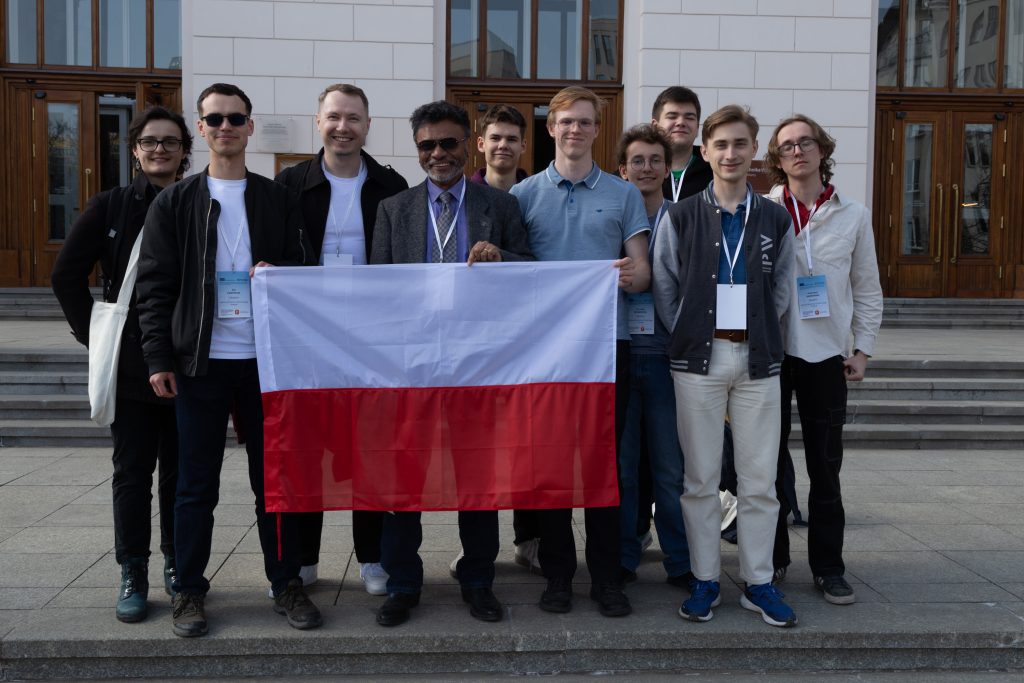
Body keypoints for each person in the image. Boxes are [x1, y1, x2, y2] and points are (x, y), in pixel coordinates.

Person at [136, 83, 318, 638]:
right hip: (201, 362)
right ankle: (188, 590)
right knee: (195, 485)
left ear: (249, 127)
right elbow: (155, 287)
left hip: (266, 364)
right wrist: (157, 357)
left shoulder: (276, 198)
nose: (225, 127)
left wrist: (279, 272)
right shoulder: (175, 202)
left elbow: (303, 268)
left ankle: (286, 582)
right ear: (201, 128)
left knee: (275, 482)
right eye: (214, 119)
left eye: (235, 118)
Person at [369, 100, 533, 627]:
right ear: (417, 149)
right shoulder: (394, 210)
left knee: (476, 478)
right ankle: (402, 583)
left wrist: (502, 259)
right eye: (427, 145)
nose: (437, 153)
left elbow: (532, 273)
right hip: (411, 366)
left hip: (477, 364)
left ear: (469, 145)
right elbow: (378, 291)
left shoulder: (499, 206)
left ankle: (478, 579)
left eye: (447, 143)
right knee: (403, 478)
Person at [651, 104, 797, 627]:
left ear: (754, 150)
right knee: (700, 479)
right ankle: (705, 579)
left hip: (757, 360)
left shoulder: (775, 218)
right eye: (721, 145)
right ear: (705, 152)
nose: (730, 153)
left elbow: (783, 286)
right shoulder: (680, 215)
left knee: (759, 481)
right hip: (698, 360)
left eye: (740, 144)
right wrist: (689, 330)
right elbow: (665, 283)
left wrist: (761, 332)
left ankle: (758, 582)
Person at [511, 86, 651, 618]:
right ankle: (558, 575)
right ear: (551, 128)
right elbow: (515, 274)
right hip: (545, 353)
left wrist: (633, 275)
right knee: (551, 467)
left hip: (607, 349)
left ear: (597, 129)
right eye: (566, 121)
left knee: (603, 466)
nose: (575, 130)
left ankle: (607, 578)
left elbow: (643, 272)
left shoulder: (623, 194)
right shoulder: (523, 195)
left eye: (585, 122)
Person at [51, 106, 191, 624]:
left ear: (184, 151)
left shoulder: (198, 202)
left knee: (181, 474)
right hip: (132, 367)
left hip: (187, 359)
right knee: (132, 473)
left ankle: (178, 563)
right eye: (150, 141)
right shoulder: (110, 205)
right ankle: (133, 569)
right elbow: (65, 276)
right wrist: (96, 339)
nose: (160, 150)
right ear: (134, 150)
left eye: (170, 142)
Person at [275, 83, 408, 597]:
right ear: (318, 122)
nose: (343, 127)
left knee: (368, 453)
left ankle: (372, 558)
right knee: (307, 452)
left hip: (372, 342)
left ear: (368, 125)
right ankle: (305, 560)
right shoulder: (289, 184)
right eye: (334, 116)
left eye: (353, 118)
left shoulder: (391, 185)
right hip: (307, 340)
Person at [763, 114, 883, 604]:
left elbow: (867, 287)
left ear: (822, 150)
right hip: (770, 355)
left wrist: (863, 349)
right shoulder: (763, 210)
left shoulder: (852, 214)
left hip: (826, 354)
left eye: (805, 142)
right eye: (787, 146)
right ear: (777, 158)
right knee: (766, 468)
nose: (797, 151)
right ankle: (770, 562)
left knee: (825, 468)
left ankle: (829, 567)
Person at [614, 124, 692, 589]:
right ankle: (624, 557)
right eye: (637, 161)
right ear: (623, 170)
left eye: (655, 160)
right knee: (623, 469)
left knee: (670, 469)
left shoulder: (683, 219)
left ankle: (680, 561)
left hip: (667, 360)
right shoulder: (612, 218)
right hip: (620, 358)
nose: (647, 168)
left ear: (667, 168)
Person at [465, 103, 541, 575]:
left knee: (526, 443)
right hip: (473, 340)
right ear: (480, 144)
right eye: (495, 137)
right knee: (480, 450)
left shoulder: (533, 194)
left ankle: (528, 537)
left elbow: (534, 262)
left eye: (512, 138)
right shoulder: (460, 196)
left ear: (523, 145)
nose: (503, 146)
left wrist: (502, 256)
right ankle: (477, 547)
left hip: (526, 336)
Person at [651, 86, 713, 203]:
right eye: (672, 116)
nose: (681, 122)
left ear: (697, 127)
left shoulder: (714, 170)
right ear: (655, 126)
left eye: (689, 117)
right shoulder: (636, 172)